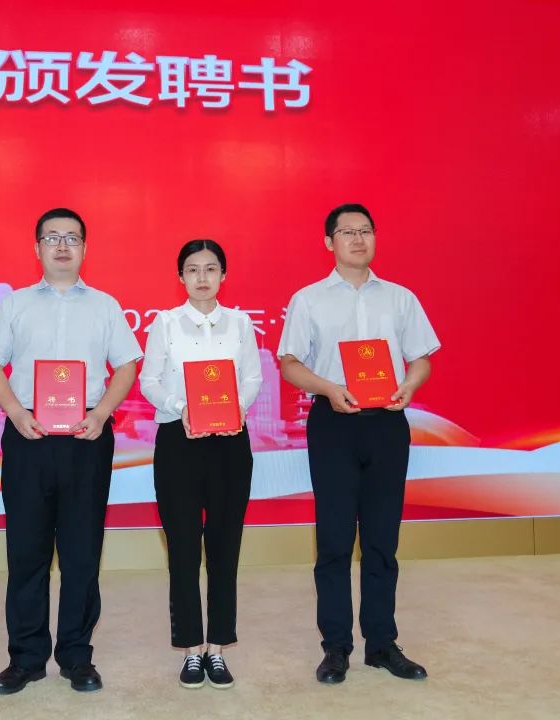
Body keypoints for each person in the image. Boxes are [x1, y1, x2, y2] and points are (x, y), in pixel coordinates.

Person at [0, 208, 142, 694]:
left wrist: (103, 413)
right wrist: (14, 411)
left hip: (87, 437)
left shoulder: (105, 306)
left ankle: (76, 656)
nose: (62, 246)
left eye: (72, 238)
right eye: (52, 238)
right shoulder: (16, 304)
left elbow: (127, 365)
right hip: (29, 436)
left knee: (81, 553)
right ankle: (26, 658)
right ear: (37, 248)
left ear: (85, 248)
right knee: (26, 552)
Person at [278, 203, 440, 684]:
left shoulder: (400, 298)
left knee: (382, 540)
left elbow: (422, 357)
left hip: (387, 423)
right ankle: (336, 646)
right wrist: (329, 388)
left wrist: (410, 384)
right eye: (347, 232)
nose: (357, 239)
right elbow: (290, 363)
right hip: (333, 423)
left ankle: (382, 643)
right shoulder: (309, 299)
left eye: (365, 230)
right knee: (333, 540)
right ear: (329, 242)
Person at [139, 239, 262, 689]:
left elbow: (252, 377)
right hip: (179, 440)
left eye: (211, 269)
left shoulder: (241, 323)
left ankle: (218, 648)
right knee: (184, 548)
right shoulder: (165, 323)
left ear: (223, 275)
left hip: (230, 442)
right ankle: (191, 649)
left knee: (225, 547)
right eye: (193, 269)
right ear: (181, 277)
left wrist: (235, 409)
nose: (203, 277)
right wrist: (181, 407)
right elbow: (149, 380)